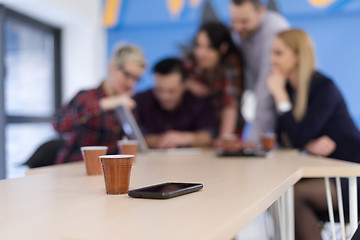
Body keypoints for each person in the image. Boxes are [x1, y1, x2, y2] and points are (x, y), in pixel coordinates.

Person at [266, 29, 360, 240]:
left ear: (298, 55)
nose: (272, 59)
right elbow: (286, 138)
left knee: (294, 197)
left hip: (351, 177)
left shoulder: (323, 87)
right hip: (326, 176)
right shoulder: (289, 89)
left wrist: (280, 97)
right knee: (280, 195)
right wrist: (307, 144)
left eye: (278, 53)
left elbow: (297, 136)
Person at [52, 44, 146, 164]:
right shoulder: (86, 96)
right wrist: (104, 104)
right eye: (127, 75)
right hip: (74, 168)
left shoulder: (127, 104)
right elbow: (58, 125)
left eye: (136, 79)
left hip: (105, 172)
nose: (131, 83)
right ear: (112, 67)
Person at [230, 0, 289, 143]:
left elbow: (265, 88)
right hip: (267, 97)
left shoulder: (275, 29)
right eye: (234, 20)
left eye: (244, 21)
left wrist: (253, 142)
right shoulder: (239, 32)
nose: (238, 27)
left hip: (284, 98)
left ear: (261, 11)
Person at [134, 58, 216, 149]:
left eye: (172, 91)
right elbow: (130, 136)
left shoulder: (197, 101)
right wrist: (159, 140)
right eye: (159, 90)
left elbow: (210, 135)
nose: (164, 97)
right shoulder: (141, 100)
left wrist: (185, 138)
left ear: (185, 85)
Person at [184, 21, 244, 143]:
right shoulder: (190, 61)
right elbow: (173, 83)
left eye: (209, 47)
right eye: (198, 46)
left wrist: (224, 139)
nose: (200, 53)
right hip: (197, 131)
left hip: (225, 128)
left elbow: (230, 104)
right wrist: (188, 84)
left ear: (223, 48)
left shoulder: (230, 64)